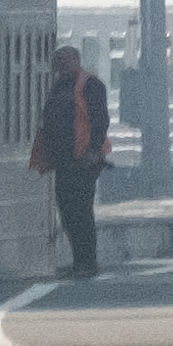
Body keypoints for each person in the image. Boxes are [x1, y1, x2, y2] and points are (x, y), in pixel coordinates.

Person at [28, 43, 112, 278]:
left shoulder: (90, 85)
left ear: (76, 61)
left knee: (81, 211)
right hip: (63, 161)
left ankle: (87, 261)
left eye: (64, 62)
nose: (60, 67)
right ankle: (80, 260)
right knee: (66, 210)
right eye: (57, 63)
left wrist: (94, 150)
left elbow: (100, 120)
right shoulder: (59, 86)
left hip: (84, 160)